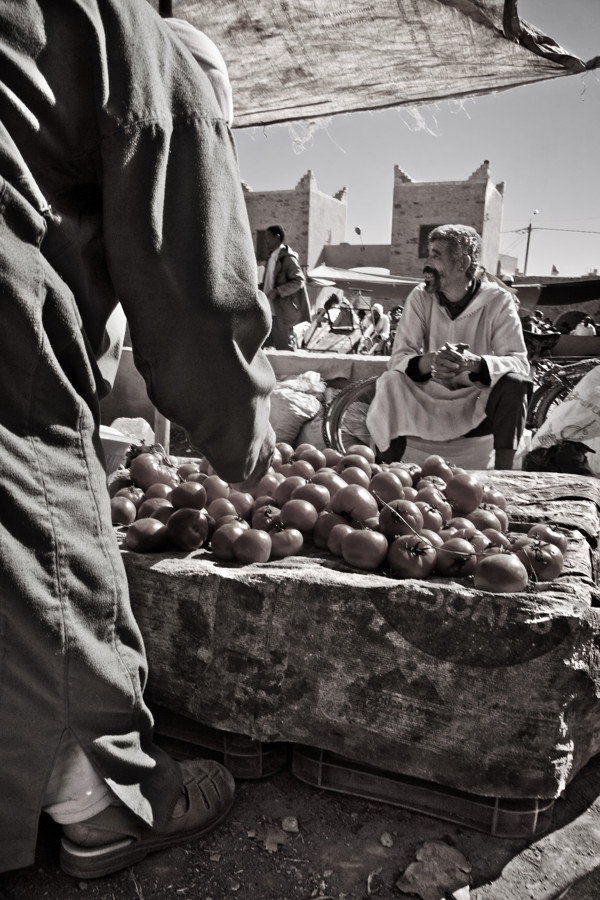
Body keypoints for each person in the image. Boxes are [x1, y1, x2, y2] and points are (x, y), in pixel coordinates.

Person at [0, 0, 276, 881]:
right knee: (39, 519)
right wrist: (246, 444)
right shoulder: (160, 65)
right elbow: (199, 298)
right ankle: (102, 799)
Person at [366, 225, 531, 470]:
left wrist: (475, 364)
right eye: (428, 254)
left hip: (476, 401)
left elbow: (519, 362)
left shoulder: (498, 300)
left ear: (462, 263)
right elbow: (399, 357)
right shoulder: (420, 297)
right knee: (391, 381)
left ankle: (504, 475)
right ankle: (387, 471)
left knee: (515, 383)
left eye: (435, 256)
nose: (426, 264)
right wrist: (431, 361)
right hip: (428, 398)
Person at [262, 225, 312, 350]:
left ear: (277, 237)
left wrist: (278, 291)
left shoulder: (288, 258)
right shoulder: (271, 257)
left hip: (280, 314)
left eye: (268, 237)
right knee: (262, 348)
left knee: (284, 348)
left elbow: (299, 281)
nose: (265, 241)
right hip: (267, 311)